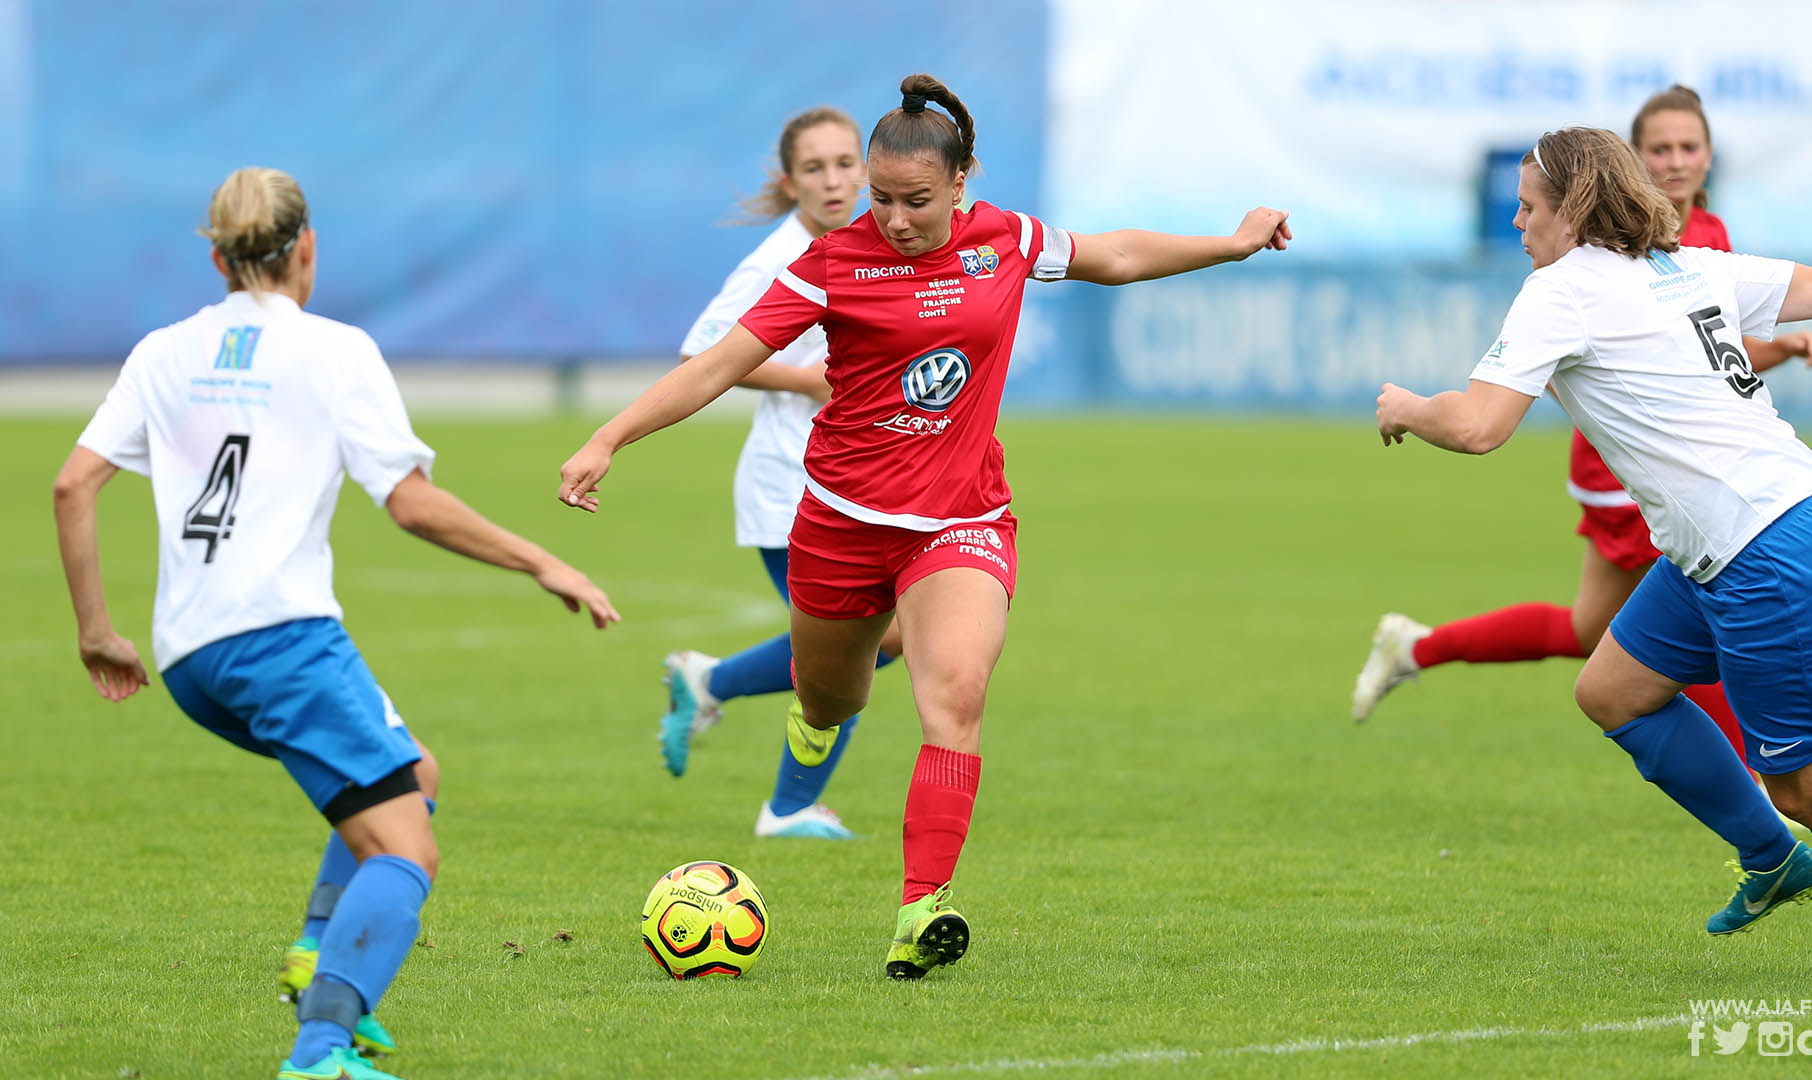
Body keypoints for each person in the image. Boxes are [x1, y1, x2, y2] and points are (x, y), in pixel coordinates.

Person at [559, 73, 1290, 977]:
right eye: (880, 198)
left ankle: (922, 908)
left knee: (955, 698)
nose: (895, 220)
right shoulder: (831, 261)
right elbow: (717, 365)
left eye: (916, 201)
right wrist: (610, 436)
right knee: (833, 696)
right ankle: (812, 721)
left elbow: (1118, 256)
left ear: (962, 183)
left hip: (960, 522)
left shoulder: (1007, 238)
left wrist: (1231, 244)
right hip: (839, 522)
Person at [52, 167, 619, 1080]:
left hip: (189, 655)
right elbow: (409, 502)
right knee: (409, 850)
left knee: (413, 772)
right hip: (281, 638)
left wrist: (94, 630)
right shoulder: (334, 350)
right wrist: (542, 559)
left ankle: (318, 950)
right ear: (308, 246)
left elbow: (73, 483)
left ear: (216, 255)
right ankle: (319, 1050)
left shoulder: (162, 351)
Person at [1374, 126, 1812, 936]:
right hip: (1748, 538)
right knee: (1612, 691)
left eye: (1528, 209)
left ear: (1571, 208)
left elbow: (1480, 426)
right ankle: (1772, 859)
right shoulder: (1684, 264)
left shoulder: (1562, 290)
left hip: (1765, 547)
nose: (1519, 224)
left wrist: (1409, 408)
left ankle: (1786, 837)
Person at [1352, 87, 1812, 754]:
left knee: (1591, 633)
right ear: (1625, 161)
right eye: (1658, 149)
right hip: (1631, 468)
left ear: (1710, 157)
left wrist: (1777, 346)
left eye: (1689, 148)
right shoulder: (1588, 258)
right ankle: (1764, 784)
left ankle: (1419, 646)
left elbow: (1698, 357)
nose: (1675, 162)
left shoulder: (1709, 239)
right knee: (1711, 609)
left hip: (1686, 460)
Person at [657, 105, 906, 841]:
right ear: (789, 179)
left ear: (865, 170)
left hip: (856, 486)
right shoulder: (778, 260)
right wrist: (808, 381)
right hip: (790, 486)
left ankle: (709, 682)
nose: (833, 182)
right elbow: (699, 352)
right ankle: (789, 808)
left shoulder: (874, 243)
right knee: (865, 647)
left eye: (843, 164)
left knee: (863, 645)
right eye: (814, 168)